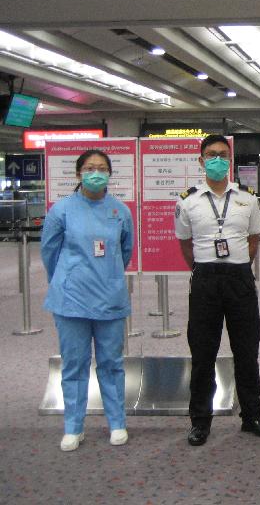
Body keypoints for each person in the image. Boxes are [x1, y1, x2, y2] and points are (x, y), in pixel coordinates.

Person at [174, 135, 260, 446]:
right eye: (211, 154)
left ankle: (252, 415)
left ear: (229, 160)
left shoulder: (247, 198)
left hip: (240, 279)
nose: (217, 159)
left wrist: (237, 264)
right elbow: (185, 244)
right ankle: (200, 422)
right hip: (205, 280)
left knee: (247, 352)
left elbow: (254, 240)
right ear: (201, 160)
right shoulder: (187, 200)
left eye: (222, 154)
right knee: (203, 354)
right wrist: (204, 268)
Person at [40, 149, 133, 451]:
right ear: (78, 173)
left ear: (110, 174)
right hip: (72, 300)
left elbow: (125, 251)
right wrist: (66, 279)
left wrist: (108, 275)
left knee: (111, 363)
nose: (96, 173)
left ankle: (117, 423)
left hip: (110, 297)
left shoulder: (120, 211)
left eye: (102, 168)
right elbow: (49, 252)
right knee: (74, 364)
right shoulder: (62, 210)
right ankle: (73, 426)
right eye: (90, 168)